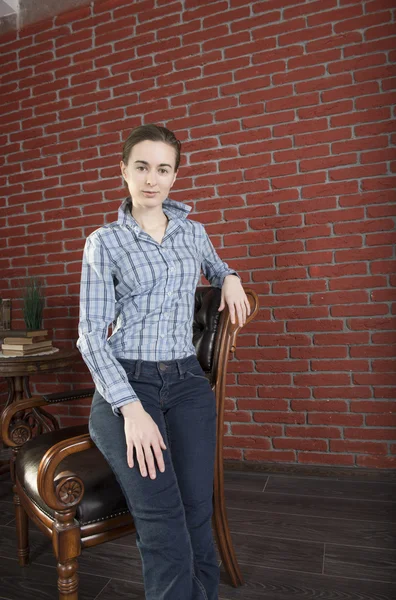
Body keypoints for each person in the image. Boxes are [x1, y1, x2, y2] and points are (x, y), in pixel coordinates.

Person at [77, 124, 250, 600]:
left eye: (163, 169)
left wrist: (230, 276)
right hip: (128, 384)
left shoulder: (192, 233)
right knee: (161, 519)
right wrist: (131, 409)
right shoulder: (104, 242)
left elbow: (215, 266)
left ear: (174, 176)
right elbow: (90, 336)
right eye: (141, 167)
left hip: (187, 382)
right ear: (124, 172)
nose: (151, 179)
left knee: (197, 509)